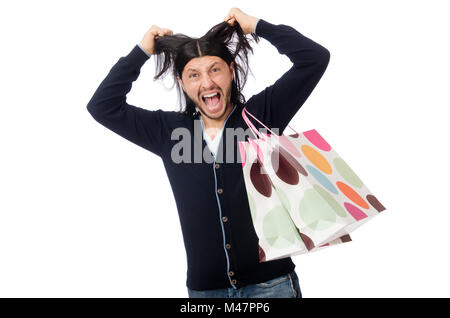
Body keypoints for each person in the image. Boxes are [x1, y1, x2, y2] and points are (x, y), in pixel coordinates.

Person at [86, 7, 330, 298]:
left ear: (230, 70)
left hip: (271, 285)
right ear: (182, 82)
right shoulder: (169, 132)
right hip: (205, 291)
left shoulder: (260, 116)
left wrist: (257, 26)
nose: (207, 83)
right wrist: (141, 52)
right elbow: (102, 106)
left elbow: (314, 58)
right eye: (194, 74)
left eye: (215, 69)